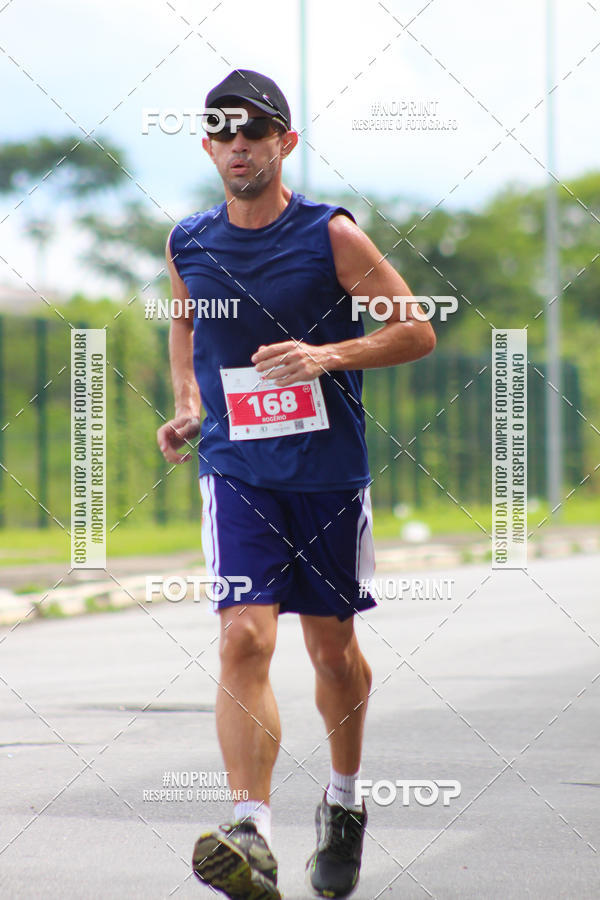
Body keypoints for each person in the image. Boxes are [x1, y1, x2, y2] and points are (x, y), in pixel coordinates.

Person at [157, 68, 435, 900]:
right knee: (244, 636)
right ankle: (251, 829)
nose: (240, 147)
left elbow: (414, 331)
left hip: (326, 474)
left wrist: (327, 354)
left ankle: (344, 805)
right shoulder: (188, 242)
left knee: (332, 651)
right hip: (238, 470)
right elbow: (184, 318)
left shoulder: (333, 236)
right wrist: (188, 402)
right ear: (209, 147)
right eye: (225, 135)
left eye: (256, 133)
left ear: (286, 142)